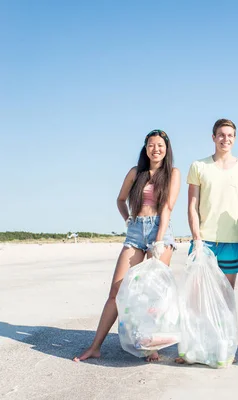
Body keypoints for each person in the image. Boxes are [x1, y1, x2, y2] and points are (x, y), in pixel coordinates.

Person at [74, 129, 180, 362]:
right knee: (117, 290)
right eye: (151, 145)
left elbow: (167, 208)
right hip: (135, 233)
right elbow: (121, 199)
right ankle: (95, 346)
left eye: (160, 145)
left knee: (153, 294)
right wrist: (128, 218)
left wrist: (159, 240)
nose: (156, 149)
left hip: (159, 231)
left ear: (166, 148)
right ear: (145, 148)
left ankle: (151, 345)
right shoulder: (136, 172)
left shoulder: (173, 173)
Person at [186, 119, 238, 289]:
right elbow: (192, 206)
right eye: (221, 135)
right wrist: (196, 239)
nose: (226, 139)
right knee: (199, 296)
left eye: (230, 135)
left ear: (235, 138)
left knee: (227, 295)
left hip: (232, 240)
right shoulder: (199, 166)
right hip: (204, 241)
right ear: (213, 137)